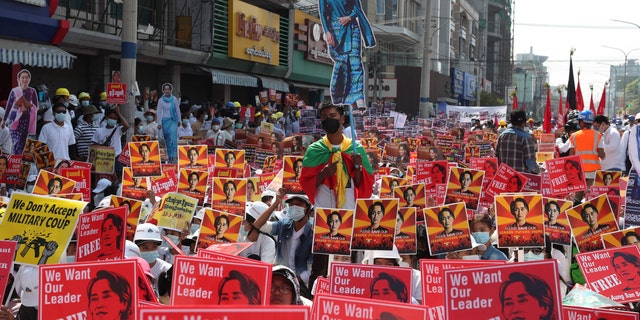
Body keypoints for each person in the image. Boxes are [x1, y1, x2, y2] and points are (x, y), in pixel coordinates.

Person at [300, 104, 373, 209]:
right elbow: (306, 185)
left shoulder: (355, 148)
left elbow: (361, 185)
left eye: (333, 115)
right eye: (324, 117)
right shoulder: (314, 150)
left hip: (348, 209)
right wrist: (323, 174)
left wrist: (358, 167)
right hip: (323, 211)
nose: (328, 119)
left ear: (342, 119)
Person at [318, 0, 375, 108]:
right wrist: (327, 32)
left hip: (352, 28)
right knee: (342, 62)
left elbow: (357, 9)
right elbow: (323, 12)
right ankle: (341, 96)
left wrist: (349, 17)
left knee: (355, 61)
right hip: (335, 30)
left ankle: (359, 97)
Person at [252, 190, 314, 288]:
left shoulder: (312, 234)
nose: (294, 207)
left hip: (299, 285)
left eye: (299, 204)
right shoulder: (283, 225)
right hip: (279, 279)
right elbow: (258, 225)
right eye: (291, 204)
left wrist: (293, 282)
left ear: (308, 208)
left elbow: (311, 270)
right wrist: (276, 203)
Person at [569, 110, 605, 203]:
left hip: (579, 171)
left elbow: (570, 155)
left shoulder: (574, 136)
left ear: (581, 122)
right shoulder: (598, 135)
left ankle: (576, 211)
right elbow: (601, 154)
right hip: (594, 171)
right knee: (590, 195)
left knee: (578, 195)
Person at [5, 69, 38, 155]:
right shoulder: (14, 91)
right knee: (13, 141)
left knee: (21, 142)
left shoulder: (32, 91)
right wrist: (4, 120)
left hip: (25, 119)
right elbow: (8, 106)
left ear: (29, 79)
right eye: (22, 77)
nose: (24, 79)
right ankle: (12, 159)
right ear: (18, 79)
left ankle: (17, 161)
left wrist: (28, 108)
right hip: (14, 119)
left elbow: (35, 106)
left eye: (26, 77)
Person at [496, 110, 540, 174]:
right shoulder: (526, 138)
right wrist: (539, 171)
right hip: (520, 179)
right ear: (524, 122)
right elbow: (530, 163)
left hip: (504, 177)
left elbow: (497, 157)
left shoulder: (501, 136)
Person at [156, 83, 181, 163]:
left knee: (172, 137)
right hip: (164, 121)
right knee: (167, 139)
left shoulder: (174, 99)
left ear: (171, 90)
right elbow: (159, 112)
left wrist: (179, 120)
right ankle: (169, 156)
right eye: (165, 89)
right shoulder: (161, 100)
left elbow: (177, 110)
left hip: (173, 120)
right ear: (163, 90)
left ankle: (173, 156)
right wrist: (159, 123)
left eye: (168, 89)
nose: (167, 91)